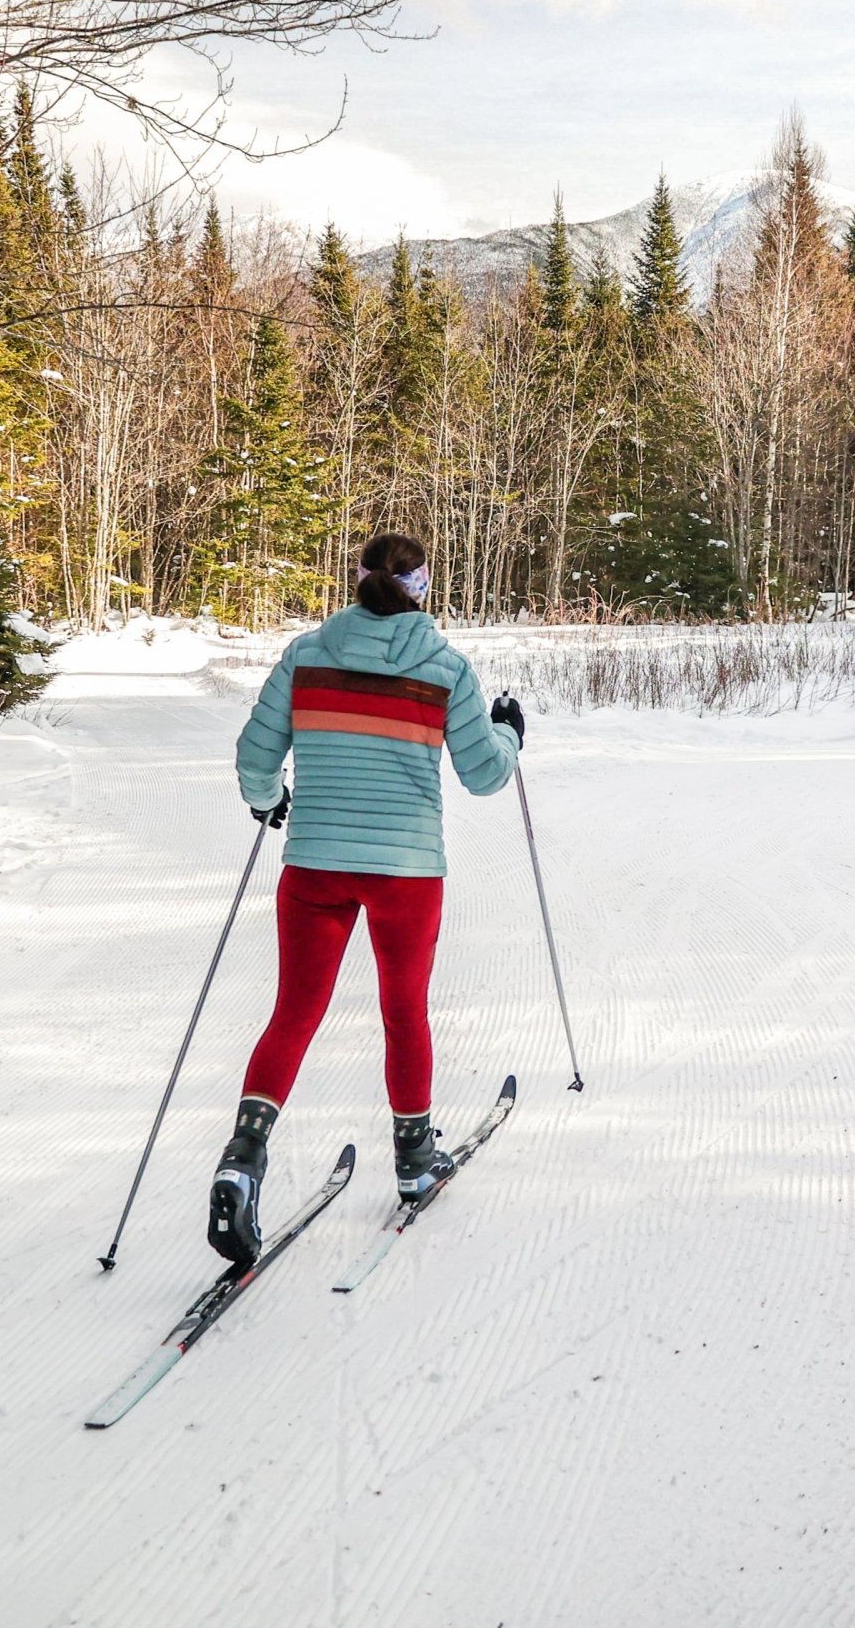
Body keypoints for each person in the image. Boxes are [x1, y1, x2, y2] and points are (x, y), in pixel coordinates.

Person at [208, 532, 527, 1265]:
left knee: (293, 1014)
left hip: (316, 863)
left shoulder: (307, 655)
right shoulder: (446, 668)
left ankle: (242, 1157)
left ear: (355, 582)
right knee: (403, 1009)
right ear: (421, 586)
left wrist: (267, 799)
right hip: (405, 872)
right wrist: (510, 736)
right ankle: (414, 1158)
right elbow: (484, 776)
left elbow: (255, 755)